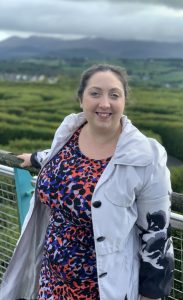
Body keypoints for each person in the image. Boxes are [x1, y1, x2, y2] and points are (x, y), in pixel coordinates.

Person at [0, 64, 174, 300]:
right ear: (81, 99)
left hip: (99, 288)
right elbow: (56, 157)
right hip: (50, 280)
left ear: (124, 101)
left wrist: (150, 296)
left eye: (114, 94)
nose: (105, 103)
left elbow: (158, 234)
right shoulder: (69, 133)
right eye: (95, 93)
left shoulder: (146, 157)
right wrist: (34, 158)